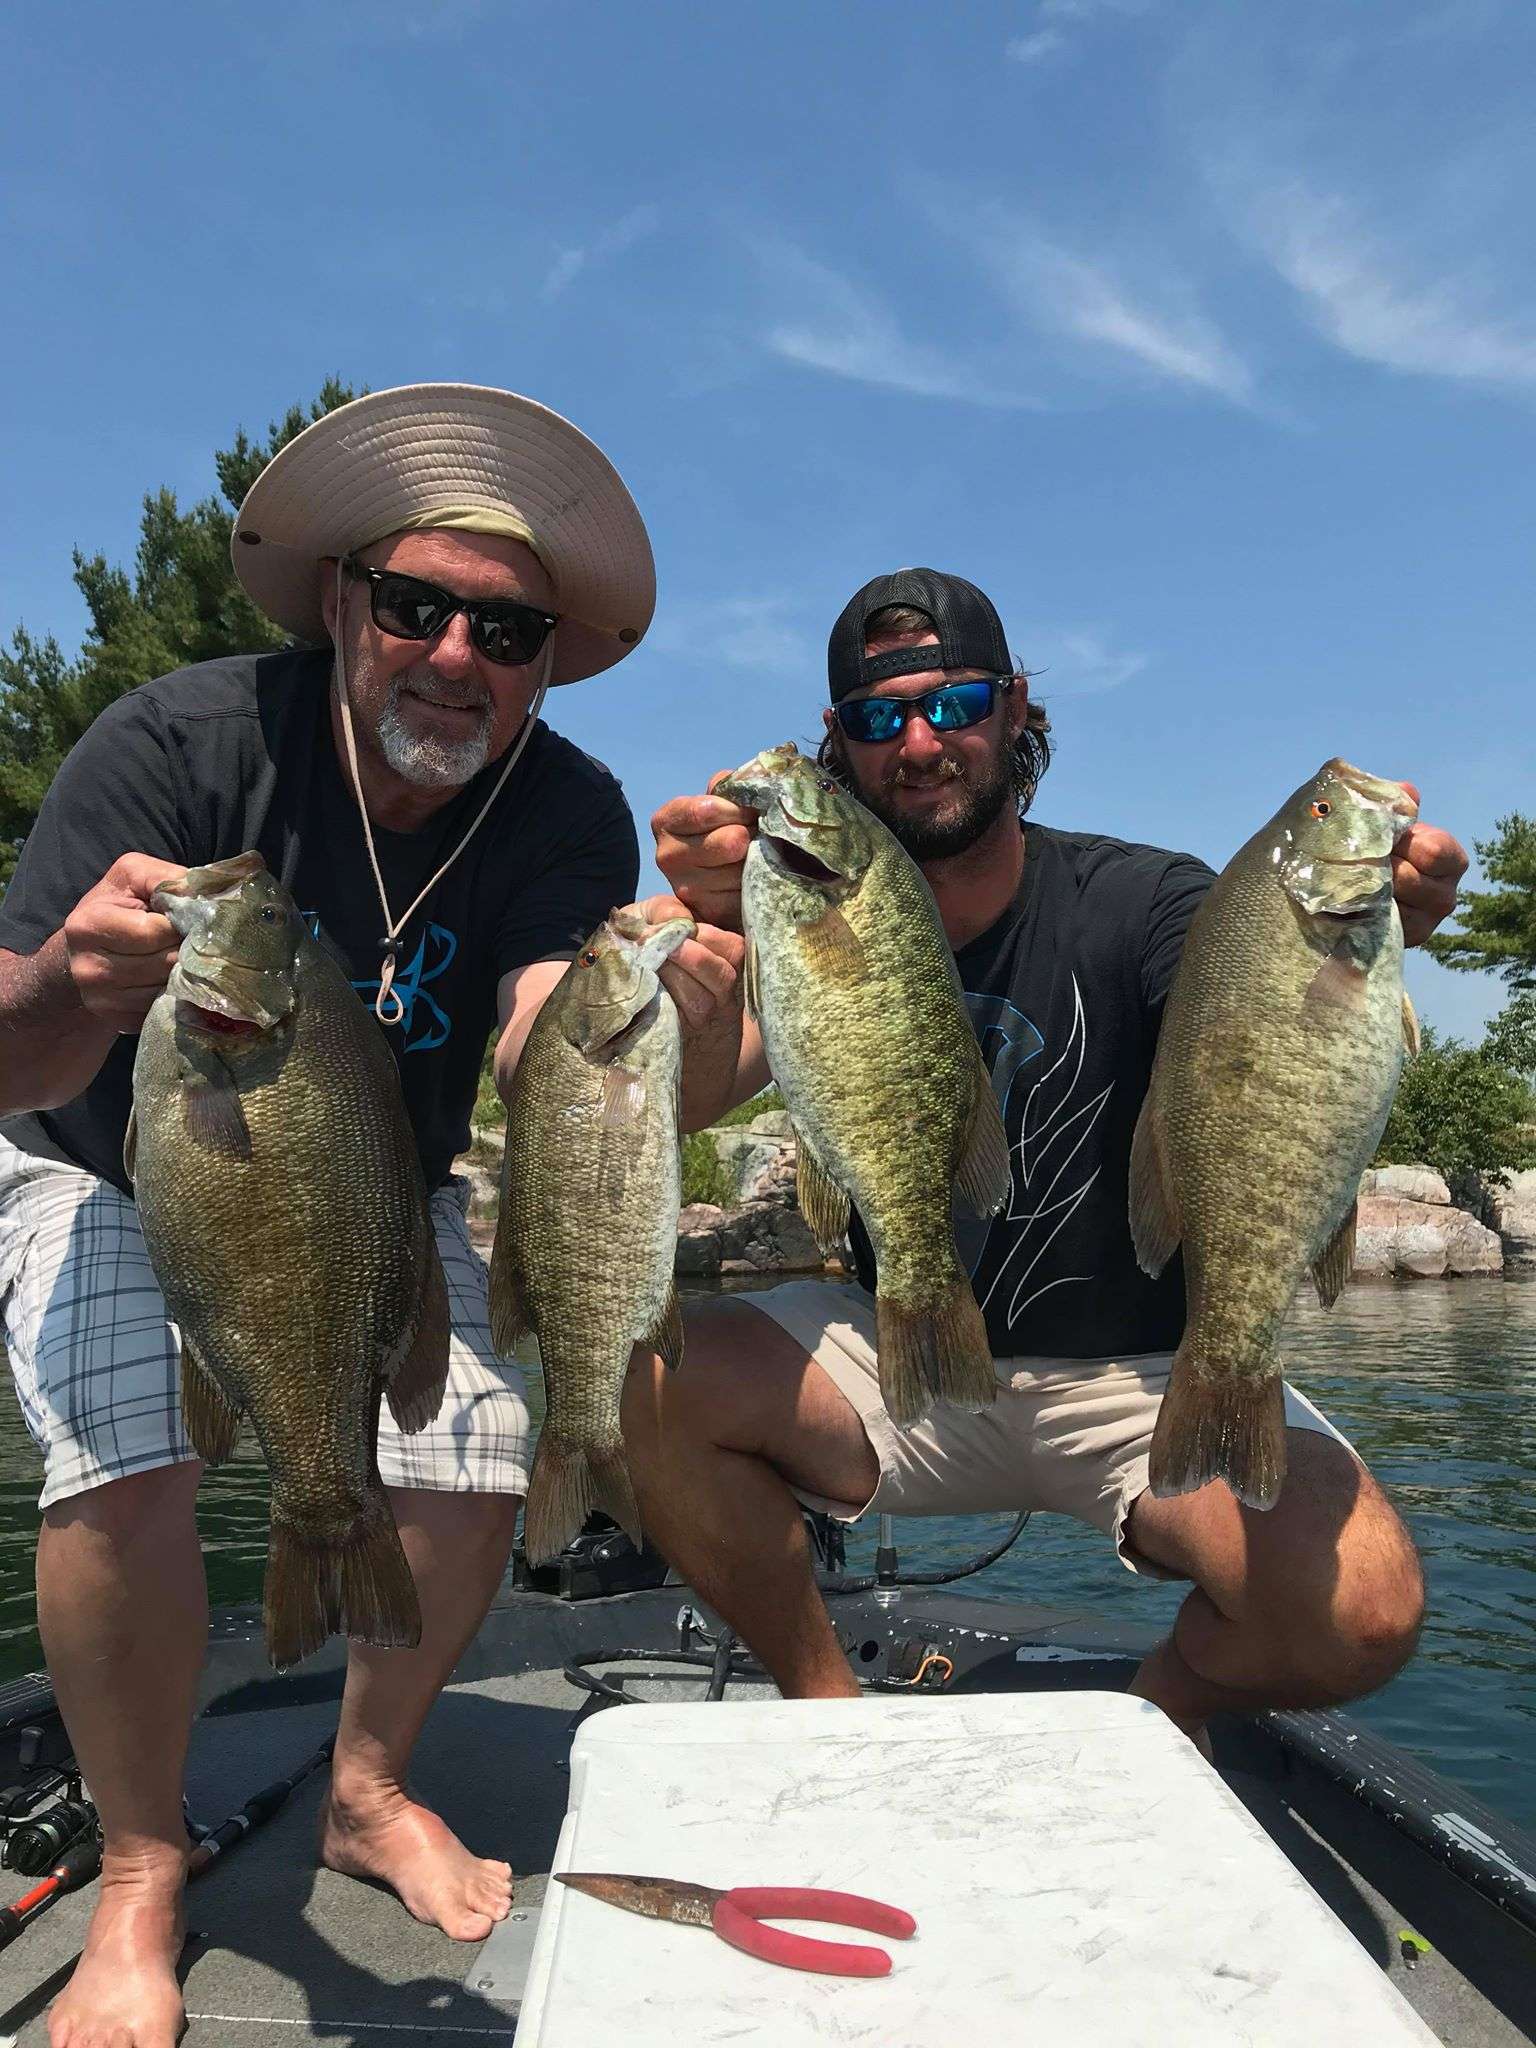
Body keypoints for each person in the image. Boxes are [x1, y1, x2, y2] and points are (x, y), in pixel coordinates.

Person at [0, 382, 655, 2048]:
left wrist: (639, 1021)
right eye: (417, 604)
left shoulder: (570, 809)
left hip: (368, 1181)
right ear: (348, 598)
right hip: (100, 1149)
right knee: (130, 1447)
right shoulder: (177, 742)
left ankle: (367, 1783)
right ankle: (143, 1862)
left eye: (502, 627)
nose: (453, 655)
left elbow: (525, 1024)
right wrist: (77, 982)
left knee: (482, 1440)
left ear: (545, 654)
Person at [630, 566, 1468, 1733]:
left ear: (1017, 708)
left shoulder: (1146, 899)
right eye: (878, 718)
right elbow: (679, 1102)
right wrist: (710, 962)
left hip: (1143, 1379)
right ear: (840, 748)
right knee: (650, 1379)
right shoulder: (804, 915)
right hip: (902, 1362)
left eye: (955, 702)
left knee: (1363, 1609)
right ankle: (829, 1720)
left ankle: (1146, 1729)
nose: (919, 741)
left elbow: (1252, 1027)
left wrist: (1352, 946)